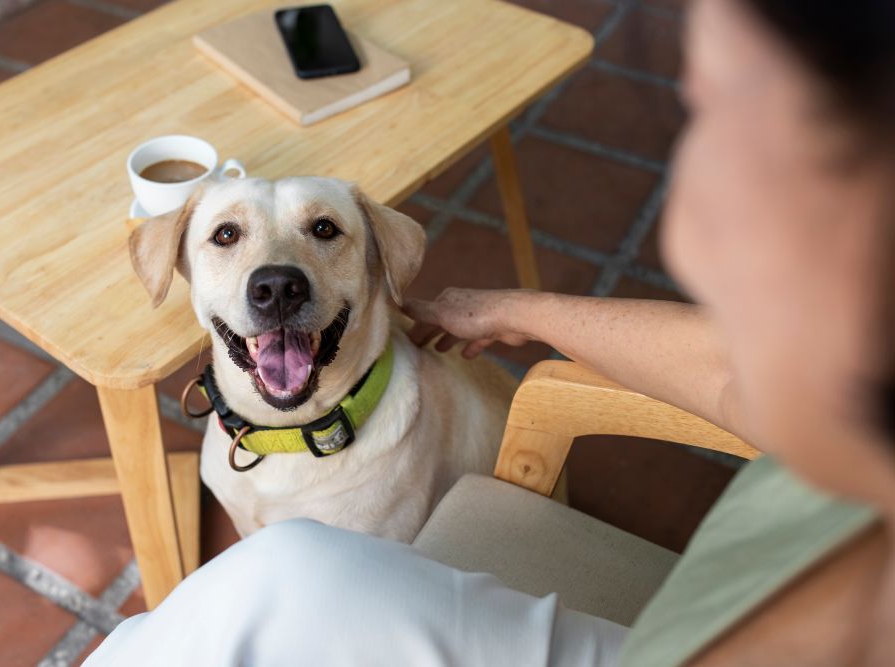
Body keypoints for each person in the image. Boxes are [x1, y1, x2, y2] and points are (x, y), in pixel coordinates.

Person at [85, 0, 895, 664]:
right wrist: (520, 311)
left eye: (724, 114)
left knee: (273, 588)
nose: (680, 221)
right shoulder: (837, 413)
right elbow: (728, 375)